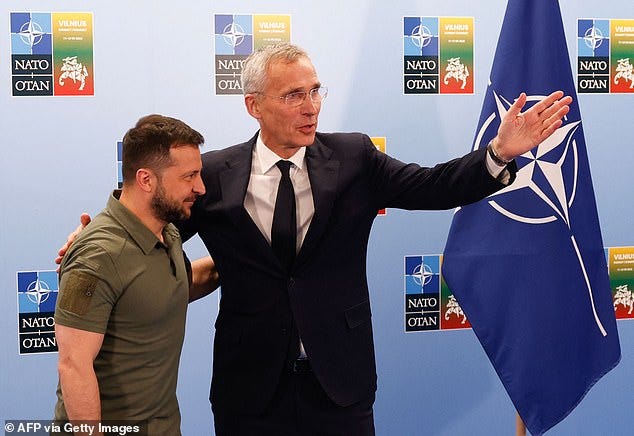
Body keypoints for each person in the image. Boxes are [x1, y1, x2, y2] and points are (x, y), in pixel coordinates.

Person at [59, 43, 572, 435]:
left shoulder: (354, 158)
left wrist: (500, 152)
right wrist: (92, 241)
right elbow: (152, 231)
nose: (310, 107)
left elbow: (433, 186)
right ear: (253, 105)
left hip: (340, 386)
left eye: (315, 91)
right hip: (249, 388)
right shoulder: (212, 174)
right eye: (293, 95)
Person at [53, 115, 219, 436]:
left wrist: (250, 261)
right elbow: (73, 365)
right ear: (146, 180)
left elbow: (177, 284)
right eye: (189, 177)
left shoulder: (166, 231)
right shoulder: (97, 255)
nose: (200, 188)